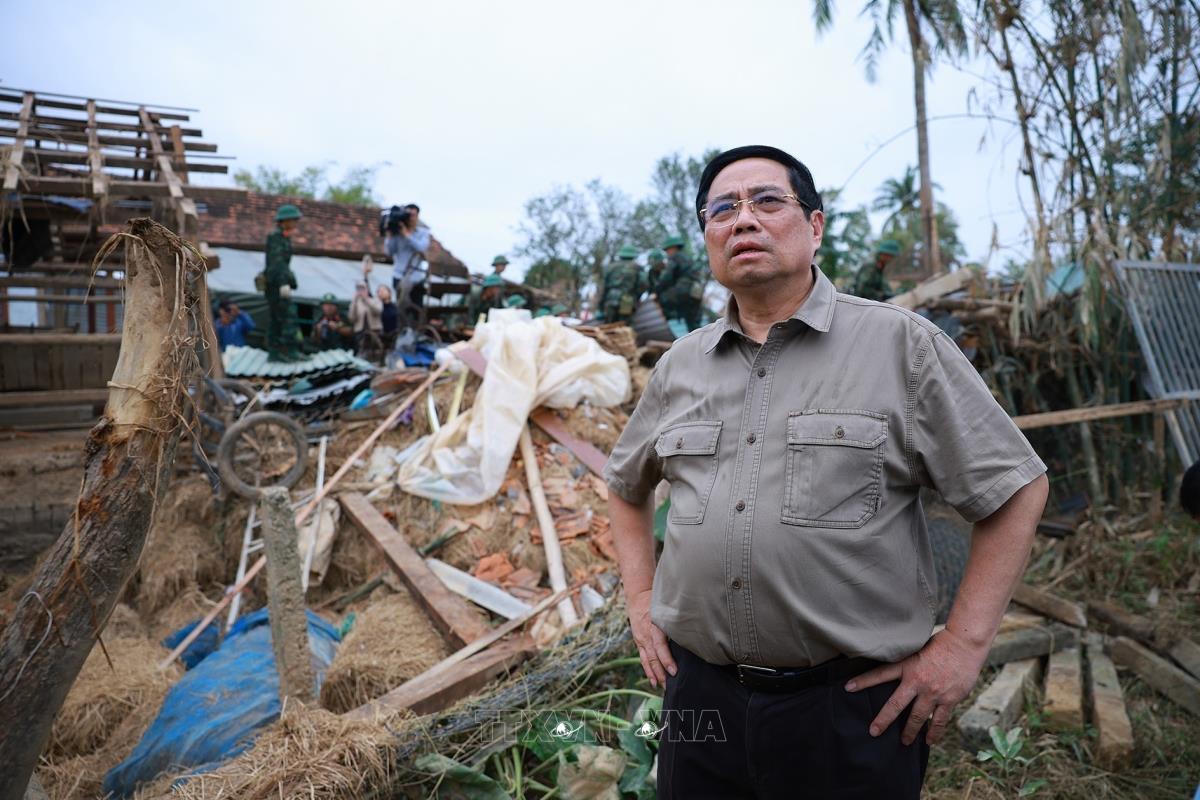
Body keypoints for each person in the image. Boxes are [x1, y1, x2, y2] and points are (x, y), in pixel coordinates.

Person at [603, 145, 1049, 799]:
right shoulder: (680, 366)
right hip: (698, 697)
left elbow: (1014, 489)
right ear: (708, 239)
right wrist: (641, 603)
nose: (743, 219)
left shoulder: (901, 346)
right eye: (722, 209)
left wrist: (962, 645)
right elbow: (624, 486)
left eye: (767, 201)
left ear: (814, 227)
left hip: (848, 709)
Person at [264, 204, 302, 362]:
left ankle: (277, 352)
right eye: (293, 220)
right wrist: (283, 284)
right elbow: (277, 263)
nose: (296, 223)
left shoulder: (284, 237)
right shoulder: (276, 237)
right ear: (284, 221)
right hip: (276, 283)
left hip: (278, 282)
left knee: (278, 317)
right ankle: (286, 351)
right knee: (287, 315)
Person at [382, 203, 432, 309]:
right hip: (399, 276)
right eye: (408, 215)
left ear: (417, 216)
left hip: (416, 278)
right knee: (401, 309)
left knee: (416, 309)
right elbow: (389, 252)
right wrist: (389, 236)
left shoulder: (423, 233)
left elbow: (422, 248)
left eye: (413, 215)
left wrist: (407, 235)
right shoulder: (397, 232)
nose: (410, 218)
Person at [658, 234, 706, 330]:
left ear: (673, 248)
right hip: (696, 290)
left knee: (663, 299)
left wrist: (658, 288)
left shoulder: (675, 257)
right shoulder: (687, 257)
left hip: (684, 290)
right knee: (694, 320)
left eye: (667, 250)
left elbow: (667, 276)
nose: (667, 252)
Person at [599, 244, 644, 324]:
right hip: (627, 300)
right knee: (623, 326)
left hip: (611, 299)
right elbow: (643, 284)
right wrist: (636, 297)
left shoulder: (610, 267)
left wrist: (600, 307)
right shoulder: (637, 268)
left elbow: (603, 288)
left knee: (608, 326)